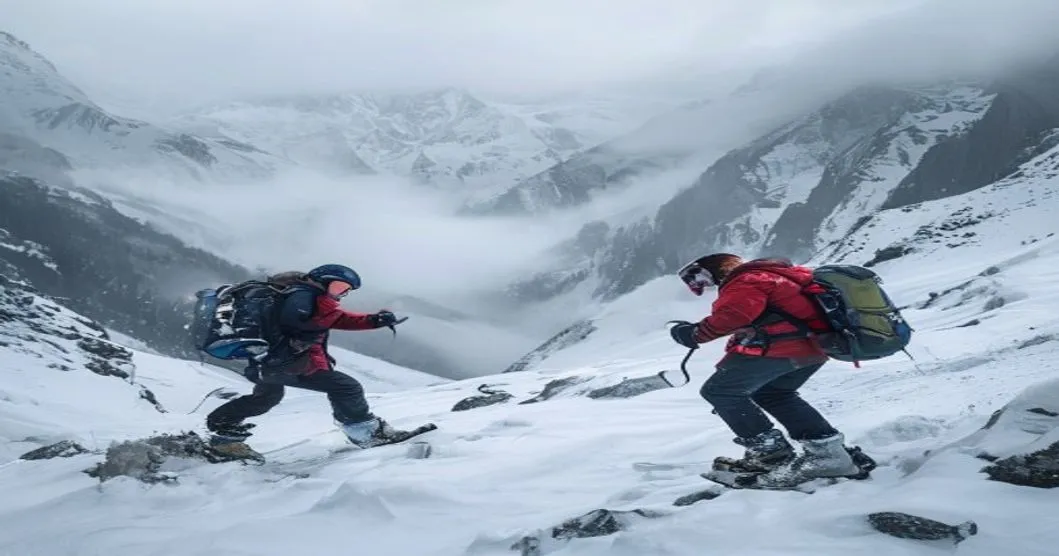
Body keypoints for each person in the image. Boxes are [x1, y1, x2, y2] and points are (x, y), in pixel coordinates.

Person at [668, 253, 863, 486]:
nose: (704, 286)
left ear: (715, 270)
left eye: (701, 279)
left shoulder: (748, 280)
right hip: (814, 348)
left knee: (720, 391)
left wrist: (693, 334)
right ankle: (829, 453)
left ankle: (770, 455)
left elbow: (733, 316)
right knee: (774, 394)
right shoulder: (776, 275)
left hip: (783, 347)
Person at [206, 264, 409, 457]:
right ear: (323, 281)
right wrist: (328, 318)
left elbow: (333, 319)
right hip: (288, 364)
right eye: (339, 287)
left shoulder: (299, 295)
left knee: (266, 398)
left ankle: (223, 435)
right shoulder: (303, 295)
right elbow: (296, 322)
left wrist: (374, 320)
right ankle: (368, 434)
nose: (341, 293)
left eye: (346, 290)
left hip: (268, 362)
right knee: (346, 387)